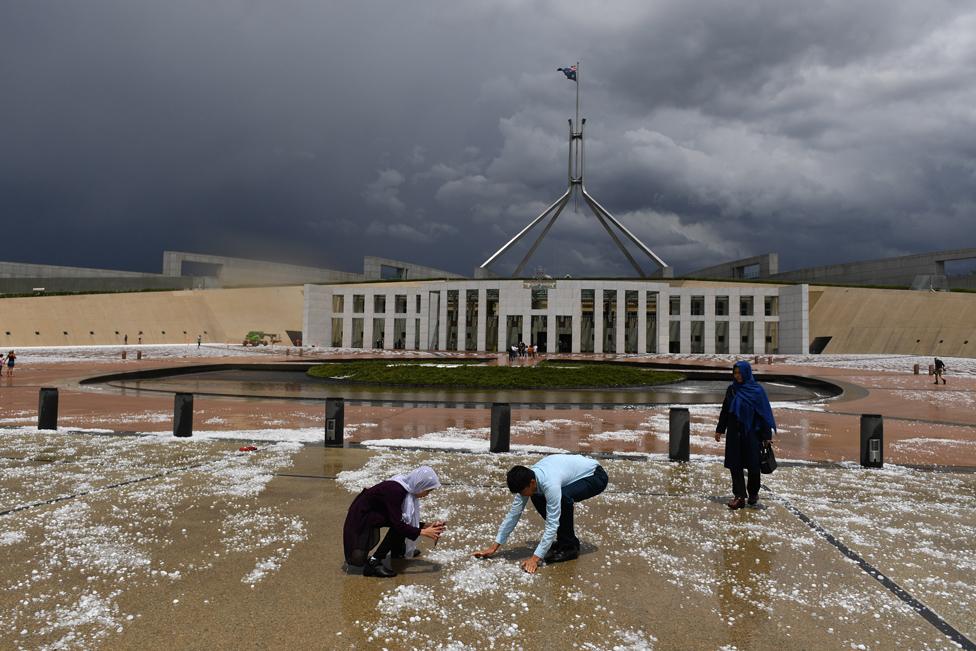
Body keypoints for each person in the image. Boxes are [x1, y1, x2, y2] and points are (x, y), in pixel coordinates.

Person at [474, 454, 608, 574]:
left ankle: (569, 547)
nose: (521, 495)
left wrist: (534, 559)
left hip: (595, 476)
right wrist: (494, 546)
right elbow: (513, 515)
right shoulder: (528, 478)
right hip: (573, 474)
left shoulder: (550, 484)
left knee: (563, 499)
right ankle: (566, 540)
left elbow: (552, 523)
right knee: (537, 496)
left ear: (532, 482)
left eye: (521, 492)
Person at [343, 466, 446, 578]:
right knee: (398, 527)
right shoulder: (396, 491)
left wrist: (428, 525)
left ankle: (397, 551)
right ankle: (374, 562)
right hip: (362, 516)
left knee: (401, 523)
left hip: (373, 512)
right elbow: (398, 524)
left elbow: (402, 518)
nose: (427, 495)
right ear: (420, 485)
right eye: (428, 490)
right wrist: (424, 532)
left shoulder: (406, 486)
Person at [714, 360, 776, 510]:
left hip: (752, 434)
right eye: (735, 373)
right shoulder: (732, 390)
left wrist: (767, 436)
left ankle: (753, 493)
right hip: (735, 434)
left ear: (746, 373)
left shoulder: (757, 391)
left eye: (740, 373)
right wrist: (720, 429)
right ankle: (739, 497)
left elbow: (764, 414)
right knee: (735, 466)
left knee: (754, 466)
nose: (737, 376)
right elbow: (725, 411)